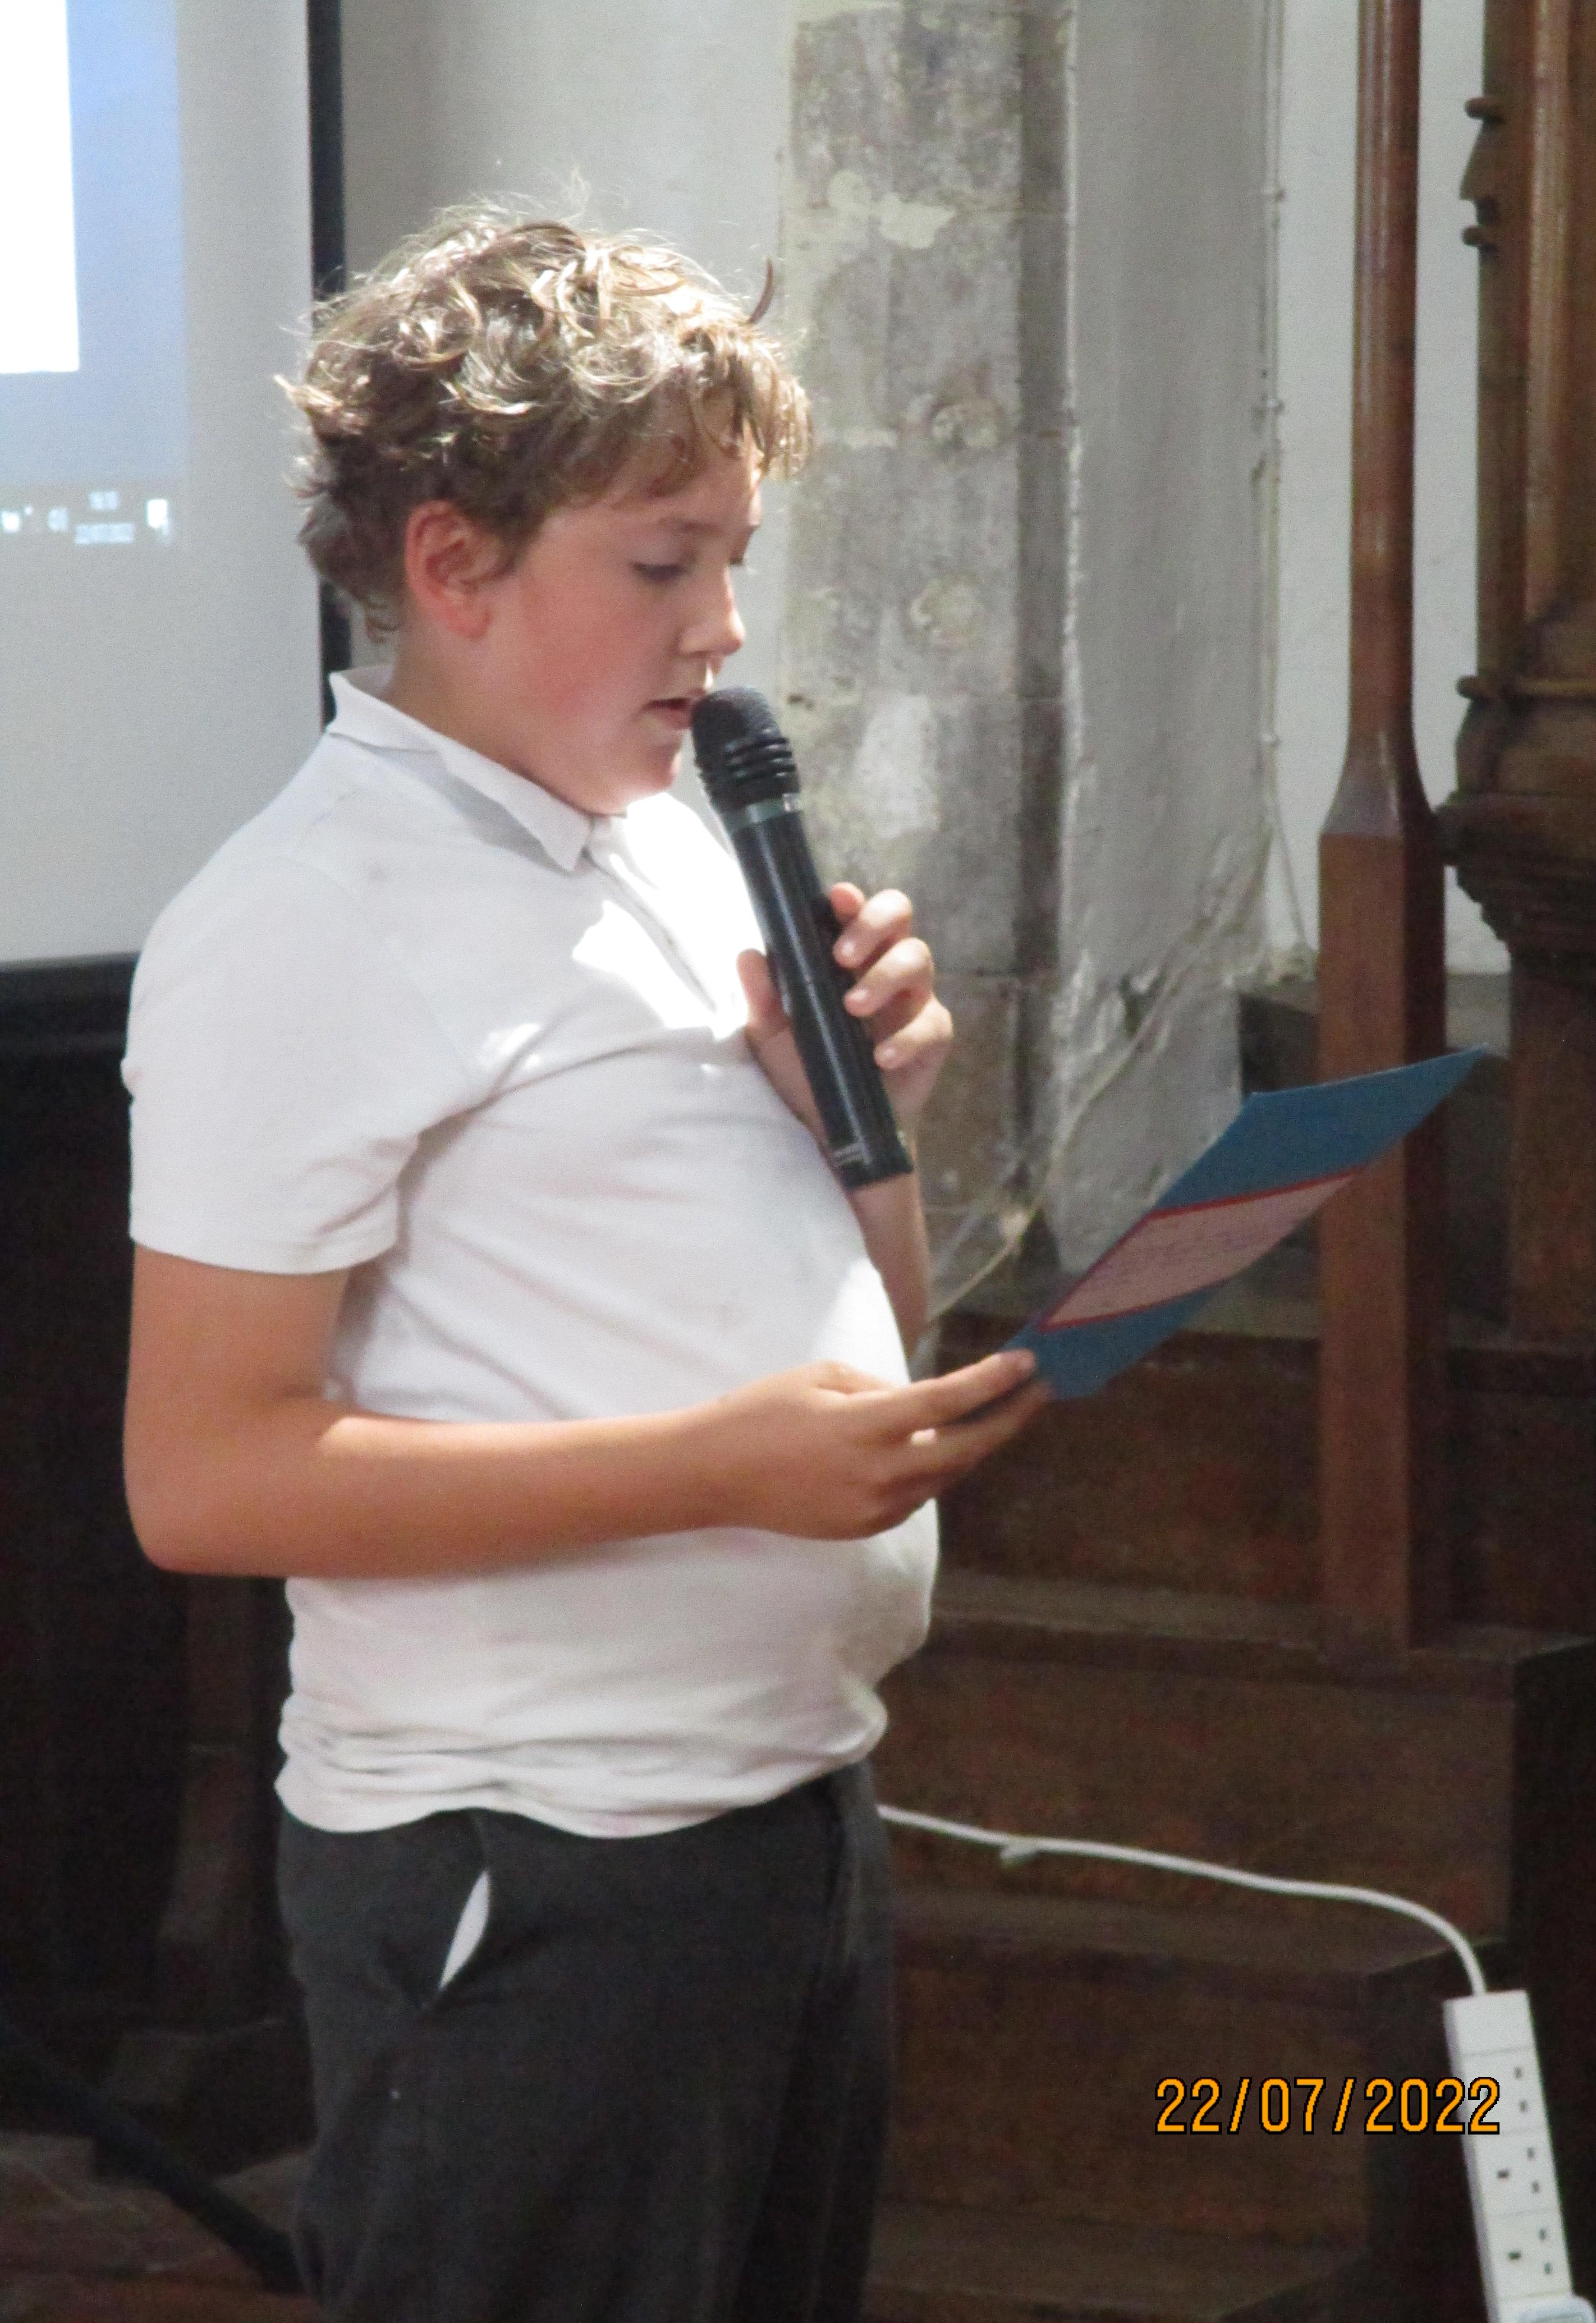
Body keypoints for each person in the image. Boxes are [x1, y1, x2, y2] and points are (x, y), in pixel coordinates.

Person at [119, 209, 1046, 2323]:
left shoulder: (673, 843)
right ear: (453, 566)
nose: (724, 623)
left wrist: (860, 1120)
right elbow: (204, 1477)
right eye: (661, 562)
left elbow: (868, 1320)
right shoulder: (307, 916)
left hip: (782, 1812)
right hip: (529, 1867)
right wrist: (724, 1467)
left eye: (736, 556)